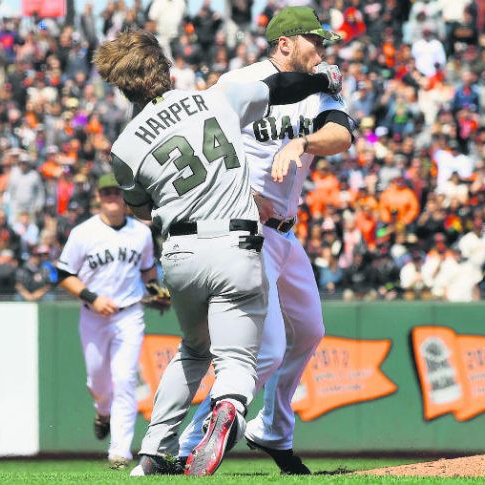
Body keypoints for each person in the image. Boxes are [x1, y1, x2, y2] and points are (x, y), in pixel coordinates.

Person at [93, 29, 342, 476]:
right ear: (166, 71)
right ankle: (228, 410)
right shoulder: (213, 99)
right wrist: (324, 82)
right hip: (236, 242)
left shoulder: (123, 148)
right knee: (242, 360)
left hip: (182, 253)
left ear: (122, 85)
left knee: (192, 350)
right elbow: (279, 87)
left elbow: (142, 209)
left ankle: (152, 451)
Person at [177, 6, 356, 475]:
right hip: (245, 229)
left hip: (285, 233)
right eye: (316, 42)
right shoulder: (239, 84)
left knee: (310, 331)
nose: (324, 51)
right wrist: (240, 194)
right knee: (269, 348)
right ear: (285, 43)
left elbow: (341, 134)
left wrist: (303, 143)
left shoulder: (318, 87)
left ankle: (272, 429)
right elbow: (204, 147)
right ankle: (187, 446)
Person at [54, 173, 156, 470]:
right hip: (93, 315)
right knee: (98, 381)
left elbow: (148, 271)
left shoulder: (141, 233)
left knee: (125, 379)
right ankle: (102, 411)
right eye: (106, 192)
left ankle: (120, 451)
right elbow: (62, 275)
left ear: (125, 198)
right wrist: (92, 297)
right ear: (99, 197)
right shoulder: (83, 233)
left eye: (116, 192)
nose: (112, 196)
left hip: (129, 314)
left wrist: (156, 291)